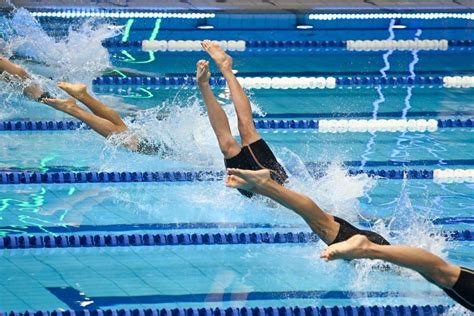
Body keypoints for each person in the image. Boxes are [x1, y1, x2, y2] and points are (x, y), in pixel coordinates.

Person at [225, 168, 473, 311]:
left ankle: (267, 186)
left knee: (323, 224)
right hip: (377, 249)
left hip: (378, 248)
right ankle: (369, 249)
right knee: (438, 271)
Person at [197, 40, 288, 198]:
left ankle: (203, 83)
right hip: (275, 185)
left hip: (253, 194)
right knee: (247, 131)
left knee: (226, 146)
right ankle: (226, 68)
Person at [42, 82, 161, 155]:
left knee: (124, 131)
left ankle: (82, 95)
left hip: (170, 143)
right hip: (174, 150)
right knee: (129, 141)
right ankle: (73, 108)